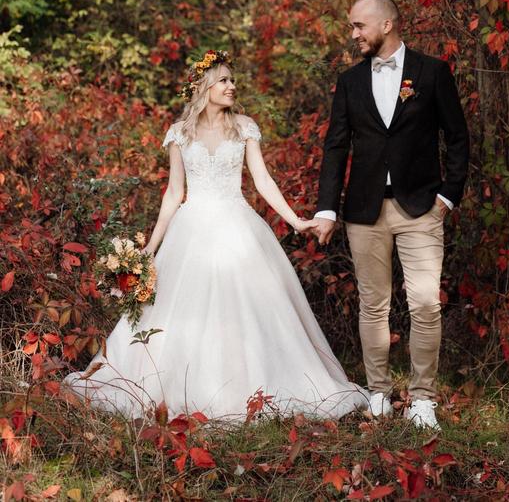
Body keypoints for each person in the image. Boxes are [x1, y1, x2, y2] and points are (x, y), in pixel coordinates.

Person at [63, 50, 368, 422]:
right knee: (178, 312)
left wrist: (296, 220)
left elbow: (262, 180)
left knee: (249, 308)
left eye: (232, 79)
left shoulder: (244, 126)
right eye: (223, 80)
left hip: (236, 225)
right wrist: (150, 249)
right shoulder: (179, 132)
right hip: (190, 231)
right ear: (204, 86)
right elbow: (174, 193)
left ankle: (252, 387)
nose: (231, 86)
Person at [314, 0, 469, 430]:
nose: (354, 34)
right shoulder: (349, 82)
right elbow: (335, 147)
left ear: (387, 24)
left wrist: (447, 197)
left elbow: (457, 138)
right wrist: (327, 208)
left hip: (421, 207)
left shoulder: (432, 72)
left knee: (424, 304)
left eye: (359, 26)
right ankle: (379, 393)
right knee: (373, 306)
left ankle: (423, 399)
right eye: (351, 26)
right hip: (364, 211)